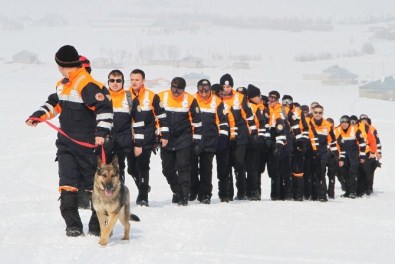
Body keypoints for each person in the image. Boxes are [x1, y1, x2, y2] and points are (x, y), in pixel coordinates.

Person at [25, 45, 113, 237]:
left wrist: (101, 133)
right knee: (67, 183)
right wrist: (38, 116)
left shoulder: (86, 84)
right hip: (66, 144)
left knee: (94, 187)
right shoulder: (63, 84)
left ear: (61, 64)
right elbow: (54, 103)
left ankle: (98, 224)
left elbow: (104, 108)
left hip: (88, 146)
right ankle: (72, 225)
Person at [157, 77, 202, 206]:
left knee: (183, 167)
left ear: (184, 89)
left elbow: (197, 121)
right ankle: (177, 191)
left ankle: (184, 195)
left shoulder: (190, 99)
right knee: (167, 169)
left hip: (184, 138)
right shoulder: (161, 96)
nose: (176, 91)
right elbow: (155, 116)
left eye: (179, 89)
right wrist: (157, 135)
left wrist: (197, 142)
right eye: (174, 88)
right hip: (166, 138)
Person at [129, 69, 169, 206]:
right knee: (131, 169)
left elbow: (162, 117)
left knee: (143, 166)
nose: (134, 82)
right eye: (132, 79)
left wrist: (164, 135)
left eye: (137, 80)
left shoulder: (152, 96)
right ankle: (143, 185)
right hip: (129, 138)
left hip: (147, 138)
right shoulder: (126, 96)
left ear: (143, 81)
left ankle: (143, 196)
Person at [189, 79, 229, 204]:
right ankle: (193, 190)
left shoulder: (217, 101)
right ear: (197, 89)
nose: (204, 93)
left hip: (210, 141)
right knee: (192, 169)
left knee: (206, 169)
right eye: (201, 90)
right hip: (194, 140)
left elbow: (223, 121)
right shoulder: (192, 100)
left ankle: (205, 194)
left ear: (210, 89)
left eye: (206, 90)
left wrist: (222, 137)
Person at [220, 74, 257, 200]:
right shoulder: (218, 99)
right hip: (225, 136)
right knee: (226, 165)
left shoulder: (240, 97)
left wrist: (253, 132)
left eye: (228, 86)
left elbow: (249, 116)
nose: (226, 89)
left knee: (239, 164)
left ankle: (242, 191)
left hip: (240, 136)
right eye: (224, 86)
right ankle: (228, 193)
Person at [308, 105, 337, 202]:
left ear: (322, 113)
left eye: (320, 112)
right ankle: (312, 195)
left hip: (322, 153)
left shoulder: (327, 125)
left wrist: (335, 154)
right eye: (316, 112)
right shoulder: (308, 123)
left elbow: (332, 140)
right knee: (311, 174)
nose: (318, 114)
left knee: (321, 173)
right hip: (310, 151)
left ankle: (322, 195)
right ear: (312, 112)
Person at [334, 115, 366, 199]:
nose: (344, 124)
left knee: (353, 173)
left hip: (354, 154)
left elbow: (362, 143)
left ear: (349, 123)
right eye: (342, 122)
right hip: (343, 154)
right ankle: (347, 191)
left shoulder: (355, 129)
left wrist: (362, 156)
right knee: (344, 174)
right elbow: (338, 144)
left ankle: (353, 192)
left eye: (345, 122)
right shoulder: (337, 130)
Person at [246, 84, 268, 200]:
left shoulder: (258, 107)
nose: (260, 97)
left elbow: (262, 124)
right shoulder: (253, 107)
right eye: (258, 95)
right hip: (248, 140)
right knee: (251, 168)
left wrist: (261, 138)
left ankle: (254, 191)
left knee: (254, 168)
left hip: (254, 140)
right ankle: (251, 191)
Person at [266, 90, 287, 200]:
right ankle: (274, 193)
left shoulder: (282, 109)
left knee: (279, 168)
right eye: (270, 98)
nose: (272, 100)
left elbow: (287, 124)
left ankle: (279, 194)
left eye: (274, 98)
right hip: (270, 136)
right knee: (272, 168)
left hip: (280, 138)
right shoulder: (267, 108)